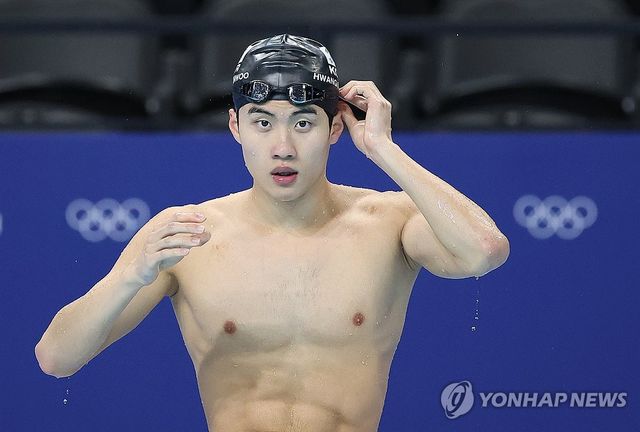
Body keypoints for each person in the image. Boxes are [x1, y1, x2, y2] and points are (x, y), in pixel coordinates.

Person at [35, 34, 509, 432]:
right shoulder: (188, 235)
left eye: (303, 124)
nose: (283, 147)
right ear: (235, 126)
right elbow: (56, 358)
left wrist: (384, 149)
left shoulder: (389, 222)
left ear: (335, 129)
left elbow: (483, 252)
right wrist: (128, 277)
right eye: (262, 123)